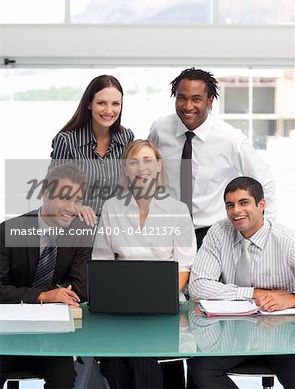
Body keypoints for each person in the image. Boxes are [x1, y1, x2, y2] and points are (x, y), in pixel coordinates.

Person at [92, 139, 196, 389]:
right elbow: (102, 261)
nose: (141, 168)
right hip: (121, 306)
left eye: (148, 160)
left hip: (164, 306)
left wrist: (159, 297)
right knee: (115, 362)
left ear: (159, 166)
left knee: (139, 355)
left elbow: (185, 266)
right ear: (126, 169)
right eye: (134, 162)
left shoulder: (177, 209)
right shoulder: (111, 207)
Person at [148, 68, 276, 248]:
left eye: (196, 99)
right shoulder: (160, 129)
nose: (187, 106)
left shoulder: (231, 139)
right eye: (181, 98)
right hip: (167, 230)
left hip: (212, 233)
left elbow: (265, 182)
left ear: (210, 101)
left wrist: (263, 234)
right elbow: (144, 171)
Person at [187, 176, 295, 389]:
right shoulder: (219, 233)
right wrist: (253, 293)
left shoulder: (287, 241)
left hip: (283, 340)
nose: (236, 211)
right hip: (231, 337)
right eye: (230, 205)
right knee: (200, 367)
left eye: (243, 202)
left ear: (261, 205)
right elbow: (198, 286)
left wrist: (291, 298)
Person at [0, 163, 93, 389]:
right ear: (45, 195)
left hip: (51, 333)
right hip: (6, 333)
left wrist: (59, 295)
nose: (71, 208)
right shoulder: (9, 231)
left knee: (64, 377)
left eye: (77, 200)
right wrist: (45, 295)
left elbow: (80, 290)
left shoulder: (79, 235)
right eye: (64, 197)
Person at [51, 74, 134, 222]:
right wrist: (77, 207)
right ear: (89, 104)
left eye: (115, 103)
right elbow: (54, 192)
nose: (109, 110)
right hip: (77, 226)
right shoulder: (67, 141)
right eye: (101, 103)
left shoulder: (126, 138)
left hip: (116, 226)